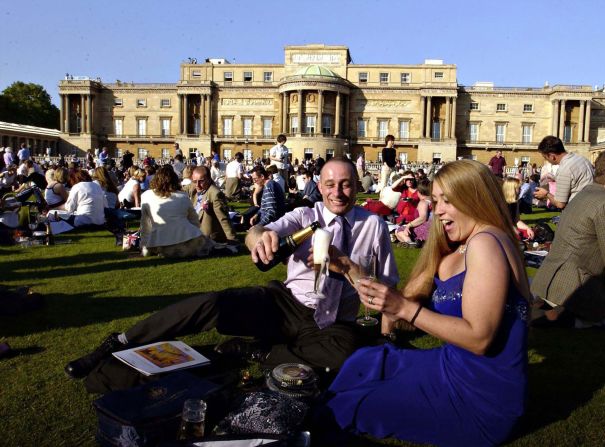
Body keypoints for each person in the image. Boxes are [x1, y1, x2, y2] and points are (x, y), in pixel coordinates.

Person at [64, 157, 399, 393]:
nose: (337, 192)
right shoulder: (304, 214)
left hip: (332, 322)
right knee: (211, 303)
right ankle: (119, 343)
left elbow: (387, 288)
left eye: (345, 184)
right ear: (321, 187)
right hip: (285, 303)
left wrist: (351, 271)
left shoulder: (373, 226)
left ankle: (253, 351)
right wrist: (259, 238)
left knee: (346, 357)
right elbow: (263, 232)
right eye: (330, 184)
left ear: (357, 186)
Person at [316, 160, 530, 446]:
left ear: (474, 197)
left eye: (447, 201)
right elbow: (410, 296)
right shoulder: (470, 243)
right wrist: (349, 268)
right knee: (371, 359)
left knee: (350, 404)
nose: (438, 210)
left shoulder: (485, 244)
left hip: (478, 399)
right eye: (436, 200)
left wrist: (404, 309)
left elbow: (480, 338)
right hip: (454, 367)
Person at [531, 149, 605, 328]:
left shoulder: (585, 192)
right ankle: (568, 321)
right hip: (574, 285)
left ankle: (552, 310)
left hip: (548, 279)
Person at [140, 165, 213, 258]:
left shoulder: (146, 196)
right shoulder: (183, 196)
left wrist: (144, 244)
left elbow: (145, 224)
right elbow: (194, 221)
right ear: (175, 180)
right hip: (185, 238)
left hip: (159, 240)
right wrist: (196, 233)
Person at [533, 136, 594, 210]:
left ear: (552, 156)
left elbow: (560, 204)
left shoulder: (564, 169)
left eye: (545, 157)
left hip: (578, 210)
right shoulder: (582, 159)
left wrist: (546, 194)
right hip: (591, 204)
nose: (547, 160)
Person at [184, 166, 238, 244]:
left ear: (209, 179)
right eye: (195, 181)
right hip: (194, 231)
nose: (197, 185)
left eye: (201, 181)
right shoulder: (195, 186)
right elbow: (181, 189)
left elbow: (223, 219)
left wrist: (232, 240)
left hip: (209, 237)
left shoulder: (215, 194)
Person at [395, 178, 432, 245]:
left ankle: (410, 243)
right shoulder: (434, 201)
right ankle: (412, 242)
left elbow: (422, 218)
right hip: (435, 228)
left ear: (419, 191)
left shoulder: (423, 202)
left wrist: (409, 225)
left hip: (426, 230)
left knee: (399, 230)